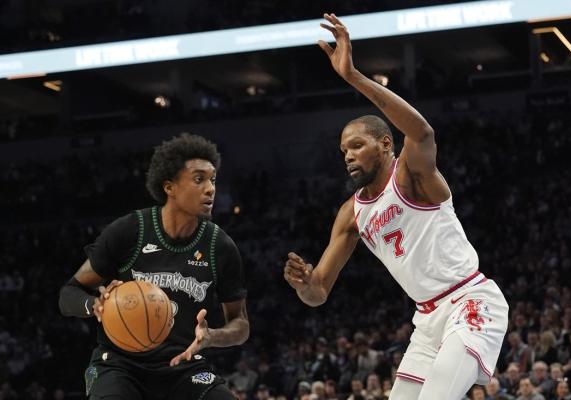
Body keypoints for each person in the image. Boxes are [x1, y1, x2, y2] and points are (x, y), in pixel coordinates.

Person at [283, 13, 508, 400]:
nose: (348, 155)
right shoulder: (350, 213)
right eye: (343, 150)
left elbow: (422, 131)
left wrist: (352, 76)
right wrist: (304, 286)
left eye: (357, 145)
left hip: (469, 300)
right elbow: (319, 292)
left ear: (386, 144)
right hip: (427, 321)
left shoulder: (411, 174)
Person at [59, 133, 249, 400]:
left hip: (183, 366)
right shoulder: (130, 231)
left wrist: (212, 337)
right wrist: (95, 305)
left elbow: (241, 324)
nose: (210, 189)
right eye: (199, 179)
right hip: (120, 365)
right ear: (169, 187)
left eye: (213, 180)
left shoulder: (220, 246)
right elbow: (68, 294)